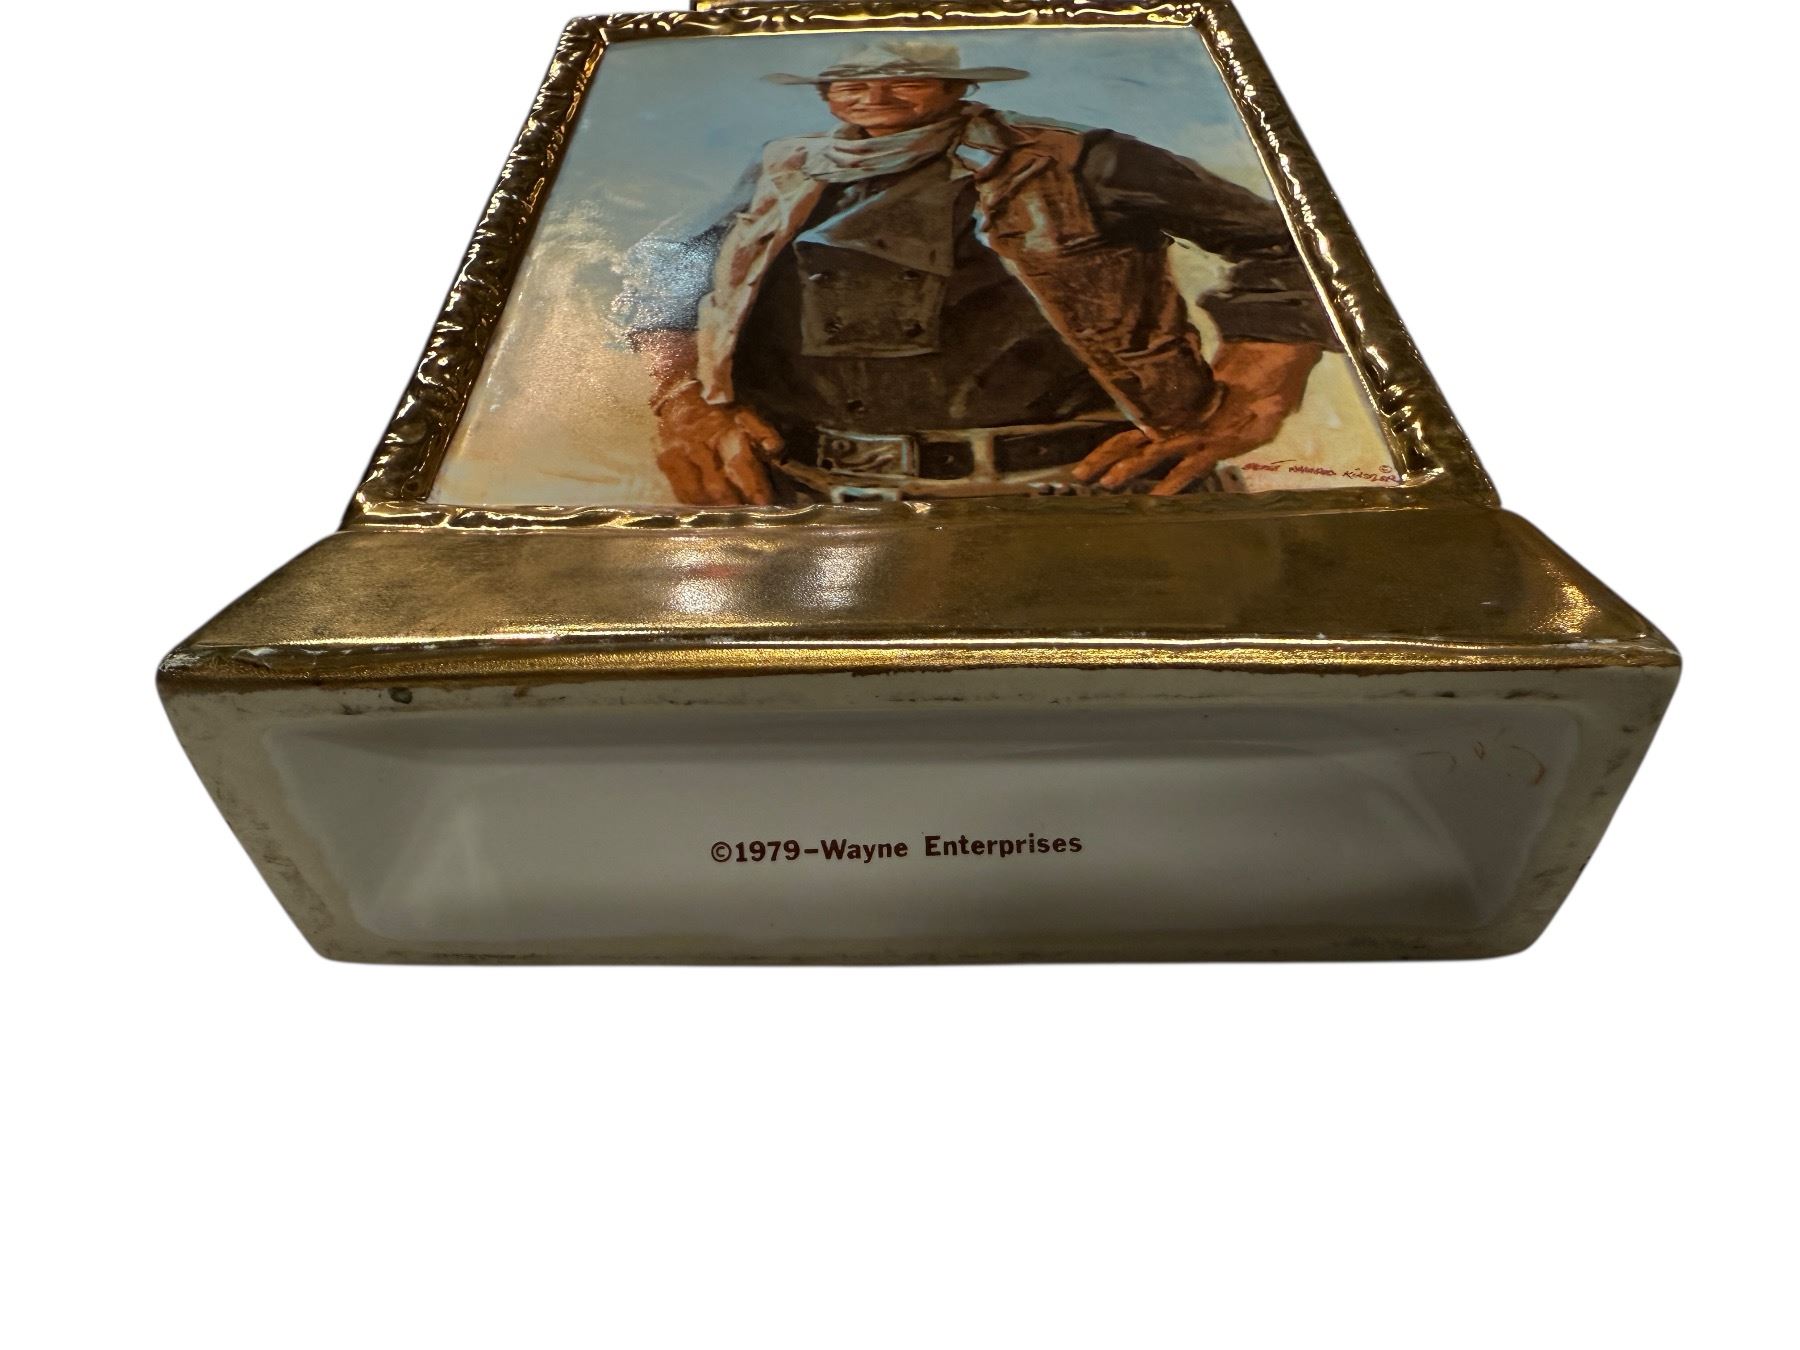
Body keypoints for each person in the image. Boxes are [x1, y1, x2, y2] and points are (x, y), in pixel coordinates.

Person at [619, 39, 1340, 504]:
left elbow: (1296, 242)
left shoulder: (1080, 160)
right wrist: (684, 400)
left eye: (902, 79)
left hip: (1075, 497)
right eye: (850, 81)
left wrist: (1255, 392)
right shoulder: (786, 167)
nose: (873, 95)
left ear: (954, 86)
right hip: (811, 494)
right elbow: (665, 268)